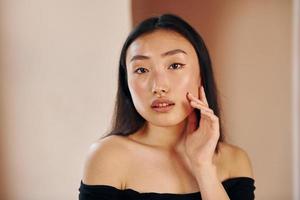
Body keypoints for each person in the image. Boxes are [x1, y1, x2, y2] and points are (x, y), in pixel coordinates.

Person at [78, 13, 255, 200]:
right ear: (126, 83)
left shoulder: (235, 162)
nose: (158, 87)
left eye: (175, 65)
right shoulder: (108, 157)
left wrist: (203, 167)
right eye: (141, 70)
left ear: (201, 74)